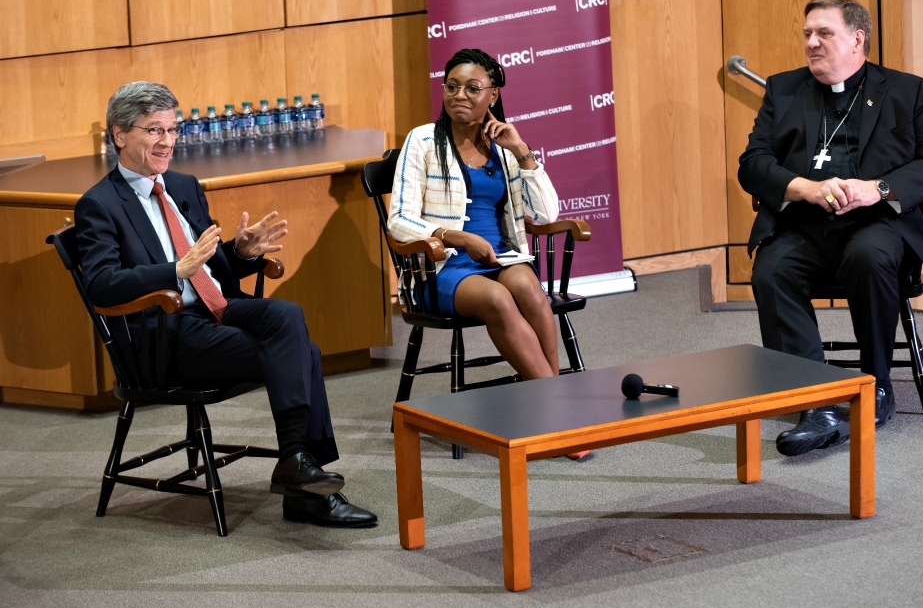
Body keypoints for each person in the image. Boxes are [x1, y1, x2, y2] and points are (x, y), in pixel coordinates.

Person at [75, 81, 377, 527]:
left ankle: (296, 461)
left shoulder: (182, 185)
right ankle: (305, 489)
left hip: (214, 310)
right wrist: (172, 271)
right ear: (120, 134)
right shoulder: (99, 205)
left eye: (172, 130)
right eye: (154, 131)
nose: (167, 142)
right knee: (303, 353)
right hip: (163, 335)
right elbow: (100, 285)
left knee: (287, 315)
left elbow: (212, 266)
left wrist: (240, 252)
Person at [738, 0, 923, 456]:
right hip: (803, 227)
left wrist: (877, 188)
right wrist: (803, 187)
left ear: (858, 39)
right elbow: (753, 165)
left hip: (876, 224)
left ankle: (875, 387)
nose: (811, 43)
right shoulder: (783, 89)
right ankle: (813, 400)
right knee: (772, 270)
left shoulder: (906, 90)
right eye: (807, 34)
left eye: (824, 33)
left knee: (870, 255)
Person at [388, 49, 588, 459]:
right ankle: (559, 416)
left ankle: (552, 404)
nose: (459, 95)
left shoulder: (502, 145)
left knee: (530, 290)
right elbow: (399, 221)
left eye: (472, 88)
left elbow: (547, 214)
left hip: (500, 256)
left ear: (493, 95)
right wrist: (455, 237)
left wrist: (522, 151)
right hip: (440, 266)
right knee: (498, 299)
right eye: (452, 86)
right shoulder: (422, 140)